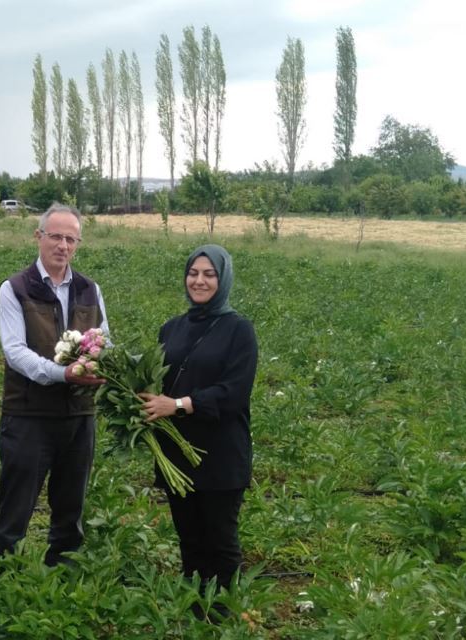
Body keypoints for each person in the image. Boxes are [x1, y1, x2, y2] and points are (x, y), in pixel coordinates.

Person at [139, 244, 258, 618]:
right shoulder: (172, 327)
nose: (199, 281)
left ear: (222, 280)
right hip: (177, 453)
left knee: (220, 543)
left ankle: (222, 618)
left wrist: (176, 405)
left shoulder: (239, 330)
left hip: (220, 455)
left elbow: (233, 393)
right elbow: (158, 378)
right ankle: (195, 615)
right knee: (190, 541)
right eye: (193, 273)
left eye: (209, 274)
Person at [0, 203, 108, 567]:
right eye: (55, 236)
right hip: (29, 415)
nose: (63, 245)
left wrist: (99, 362)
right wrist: (63, 374)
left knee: (70, 505)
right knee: (16, 506)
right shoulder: (15, 289)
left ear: (78, 244)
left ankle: (63, 577)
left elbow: (104, 340)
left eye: (70, 239)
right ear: (38, 237)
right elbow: (15, 352)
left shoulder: (90, 289)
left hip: (78, 415)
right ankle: (3, 578)